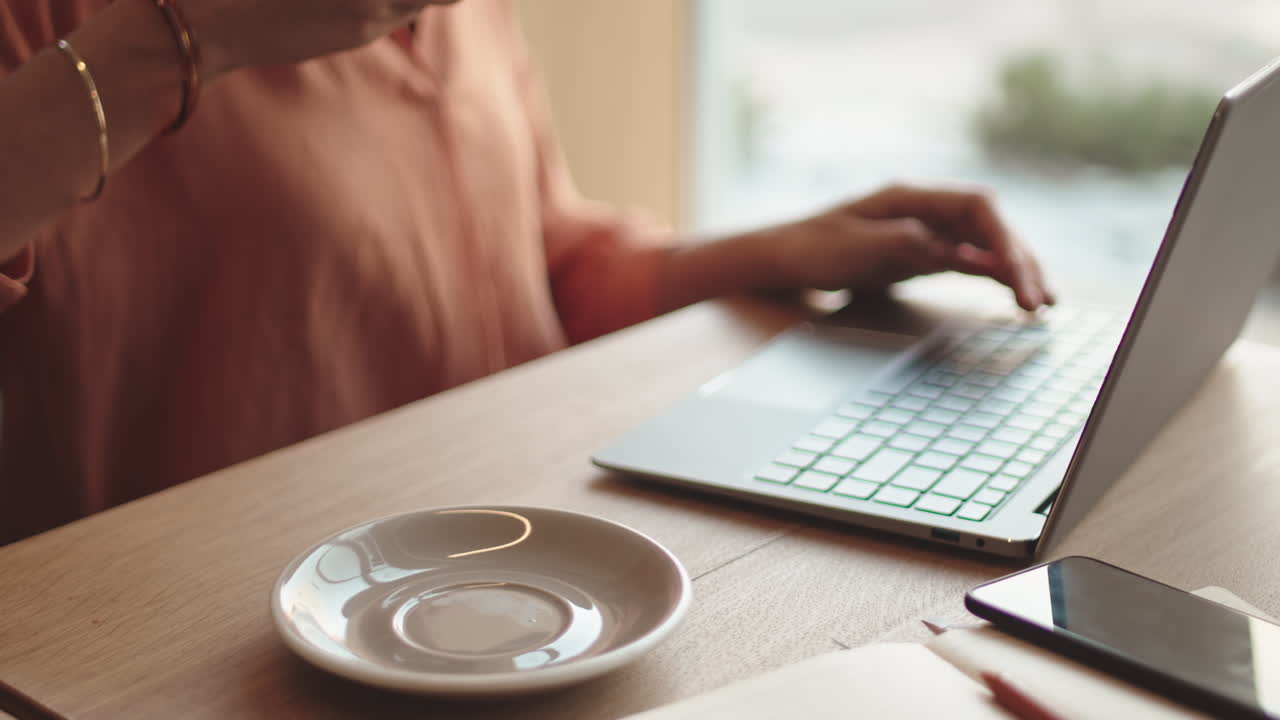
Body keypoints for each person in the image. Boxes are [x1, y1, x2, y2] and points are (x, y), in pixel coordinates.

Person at [0, 0, 1053, 544]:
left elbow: (535, 271)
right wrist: (194, 34)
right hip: (205, 642)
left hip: (508, 578)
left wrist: (781, 251)